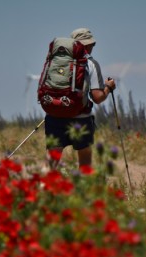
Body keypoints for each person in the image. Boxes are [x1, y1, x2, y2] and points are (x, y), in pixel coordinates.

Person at [45, 27, 116, 168]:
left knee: (51, 164)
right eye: (92, 44)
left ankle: (43, 188)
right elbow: (97, 97)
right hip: (81, 119)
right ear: (88, 45)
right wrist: (108, 88)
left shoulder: (54, 61)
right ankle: (82, 189)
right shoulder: (90, 63)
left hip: (54, 116)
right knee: (85, 163)